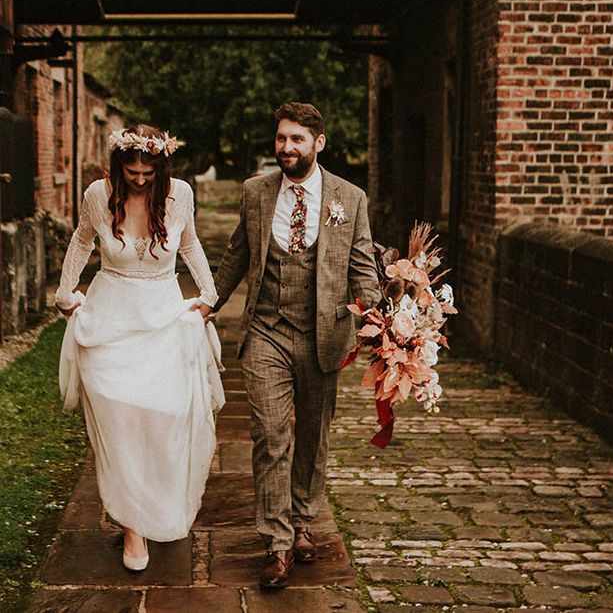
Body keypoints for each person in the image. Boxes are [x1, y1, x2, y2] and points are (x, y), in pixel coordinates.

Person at [213, 102, 380, 588]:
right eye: (281, 138)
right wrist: (207, 302)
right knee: (269, 435)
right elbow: (237, 254)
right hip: (267, 329)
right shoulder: (255, 192)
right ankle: (277, 543)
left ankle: (304, 520)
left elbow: (362, 264)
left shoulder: (349, 198)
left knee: (313, 434)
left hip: (324, 333)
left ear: (318, 143)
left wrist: (377, 320)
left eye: (297, 140)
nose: (287, 147)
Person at [55, 124, 224, 572]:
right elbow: (81, 240)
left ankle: (155, 502)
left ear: (162, 166)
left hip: (162, 315)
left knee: (161, 417)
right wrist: (64, 291)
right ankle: (133, 526)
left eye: (149, 172)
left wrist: (209, 294)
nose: (140, 179)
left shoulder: (181, 194)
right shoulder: (97, 194)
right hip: (111, 317)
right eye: (131, 171)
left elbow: (188, 243)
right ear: (118, 166)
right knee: (120, 420)